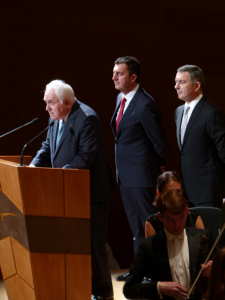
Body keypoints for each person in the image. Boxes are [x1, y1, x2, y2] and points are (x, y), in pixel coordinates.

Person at [30, 80, 114, 300]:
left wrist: (62, 174)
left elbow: (86, 156)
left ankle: (103, 294)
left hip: (91, 194)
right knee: (72, 245)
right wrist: (31, 169)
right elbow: (48, 147)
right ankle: (80, 290)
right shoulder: (55, 119)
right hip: (67, 193)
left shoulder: (87, 119)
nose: (47, 108)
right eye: (46, 103)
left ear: (66, 102)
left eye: (50, 103)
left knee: (95, 247)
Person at [111, 56, 169, 260]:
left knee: (149, 225)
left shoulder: (145, 104)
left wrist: (157, 165)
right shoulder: (121, 99)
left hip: (142, 176)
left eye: (120, 74)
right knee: (135, 226)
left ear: (133, 77)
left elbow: (160, 142)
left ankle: (157, 271)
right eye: (114, 73)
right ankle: (140, 270)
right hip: (126, 176)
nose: (114, 77)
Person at [123, 190, 213, 300]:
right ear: (160, 217)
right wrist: (159, 287)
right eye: (171, 219)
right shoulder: (149, 245)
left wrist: (215, 269)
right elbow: (129, 289)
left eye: (181, 217)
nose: (177, 225)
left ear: (187, 212)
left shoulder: (203, 237)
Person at [175, 65, 225, 208]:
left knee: (210, 230)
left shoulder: (211, 113)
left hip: (208, 191)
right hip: (188, 191)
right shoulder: (178, 111)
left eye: (181, 82)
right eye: (176, 82)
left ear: (197, 86)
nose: (176, 86)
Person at [145, 171, 204, 237]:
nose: (175, 195)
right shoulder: (152, 222)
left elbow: (204, 243)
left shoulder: (193, 216)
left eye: (178, 191)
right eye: (171, 192)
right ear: (159, 194)